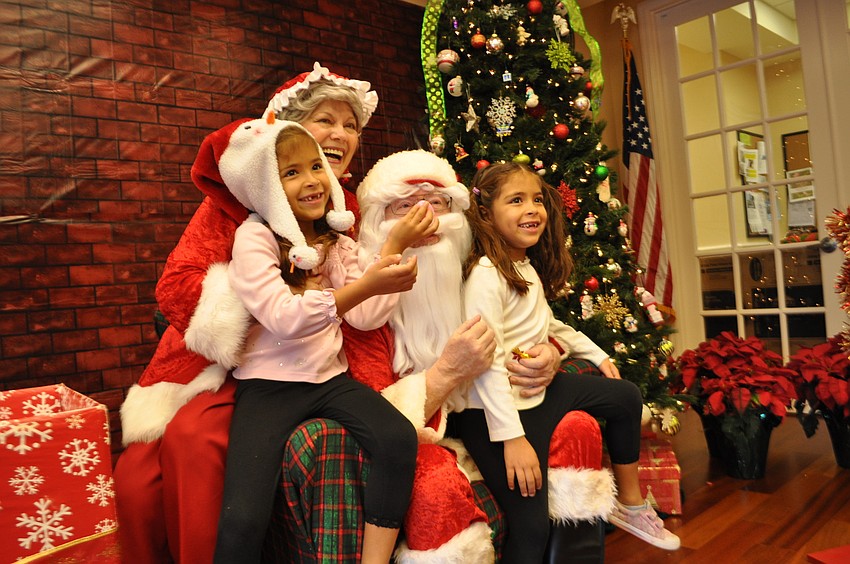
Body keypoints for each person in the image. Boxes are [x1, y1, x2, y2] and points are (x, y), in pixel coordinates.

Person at [114, 62, 380, 563]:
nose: (341, 135)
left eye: (351, 126)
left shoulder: (346, 209)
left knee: (194, 444)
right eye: (327, 120)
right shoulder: (233, 203)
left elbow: (364, 303)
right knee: (134, 481)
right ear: (290, 130)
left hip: (301, 367)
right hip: (225, 361)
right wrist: (266, 296)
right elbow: (175, 287)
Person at [337, 150, 618, 561]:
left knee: (578, 427)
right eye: (405, 206)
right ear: (380, 222)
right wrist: (447, 373)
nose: (424, 220)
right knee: (437, 486)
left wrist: (549, 351)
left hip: (485, 414)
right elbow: (372, 419)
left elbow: (525, 321)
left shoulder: (471, 272)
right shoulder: (366, 306)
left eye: (436, 204)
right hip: (425, 437)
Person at [210, 118, 433, 563]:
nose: (312, 181)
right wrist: (365, 288)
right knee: (243, 518)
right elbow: (283, 317)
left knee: (397, 439)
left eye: (316, 167)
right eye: (291, 173)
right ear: (267, 186)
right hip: (269, 387)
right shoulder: (255, 238)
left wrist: (392, 251)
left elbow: (367, 316)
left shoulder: (337, 242)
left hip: (331, 380)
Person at [450, 161, 681, 562]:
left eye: (537, 200)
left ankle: (630, 504)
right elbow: (484, 363)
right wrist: (512, 438)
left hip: (535, 394)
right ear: (485, 214)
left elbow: (547, 323)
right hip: (493, 416)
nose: (532, 209)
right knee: (532, 527)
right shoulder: (486, 276)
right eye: (516, 200)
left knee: (625, 396)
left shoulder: (522, 265)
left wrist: (598, 353)